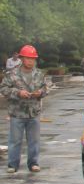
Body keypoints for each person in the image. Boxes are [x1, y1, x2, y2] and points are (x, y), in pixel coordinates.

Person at [0, 45, 48, 173]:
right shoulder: (12, 74)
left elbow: (45, 89)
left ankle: (33, 163)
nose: (30, 61)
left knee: (34, 140)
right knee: (15, 140)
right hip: (17, 113)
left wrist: (40, 93)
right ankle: (12, 164)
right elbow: (4, 89)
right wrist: (17, 93)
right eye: (28, 58)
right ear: (22, 58)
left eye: (33, 58)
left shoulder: (39, 74)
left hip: (34, 112)